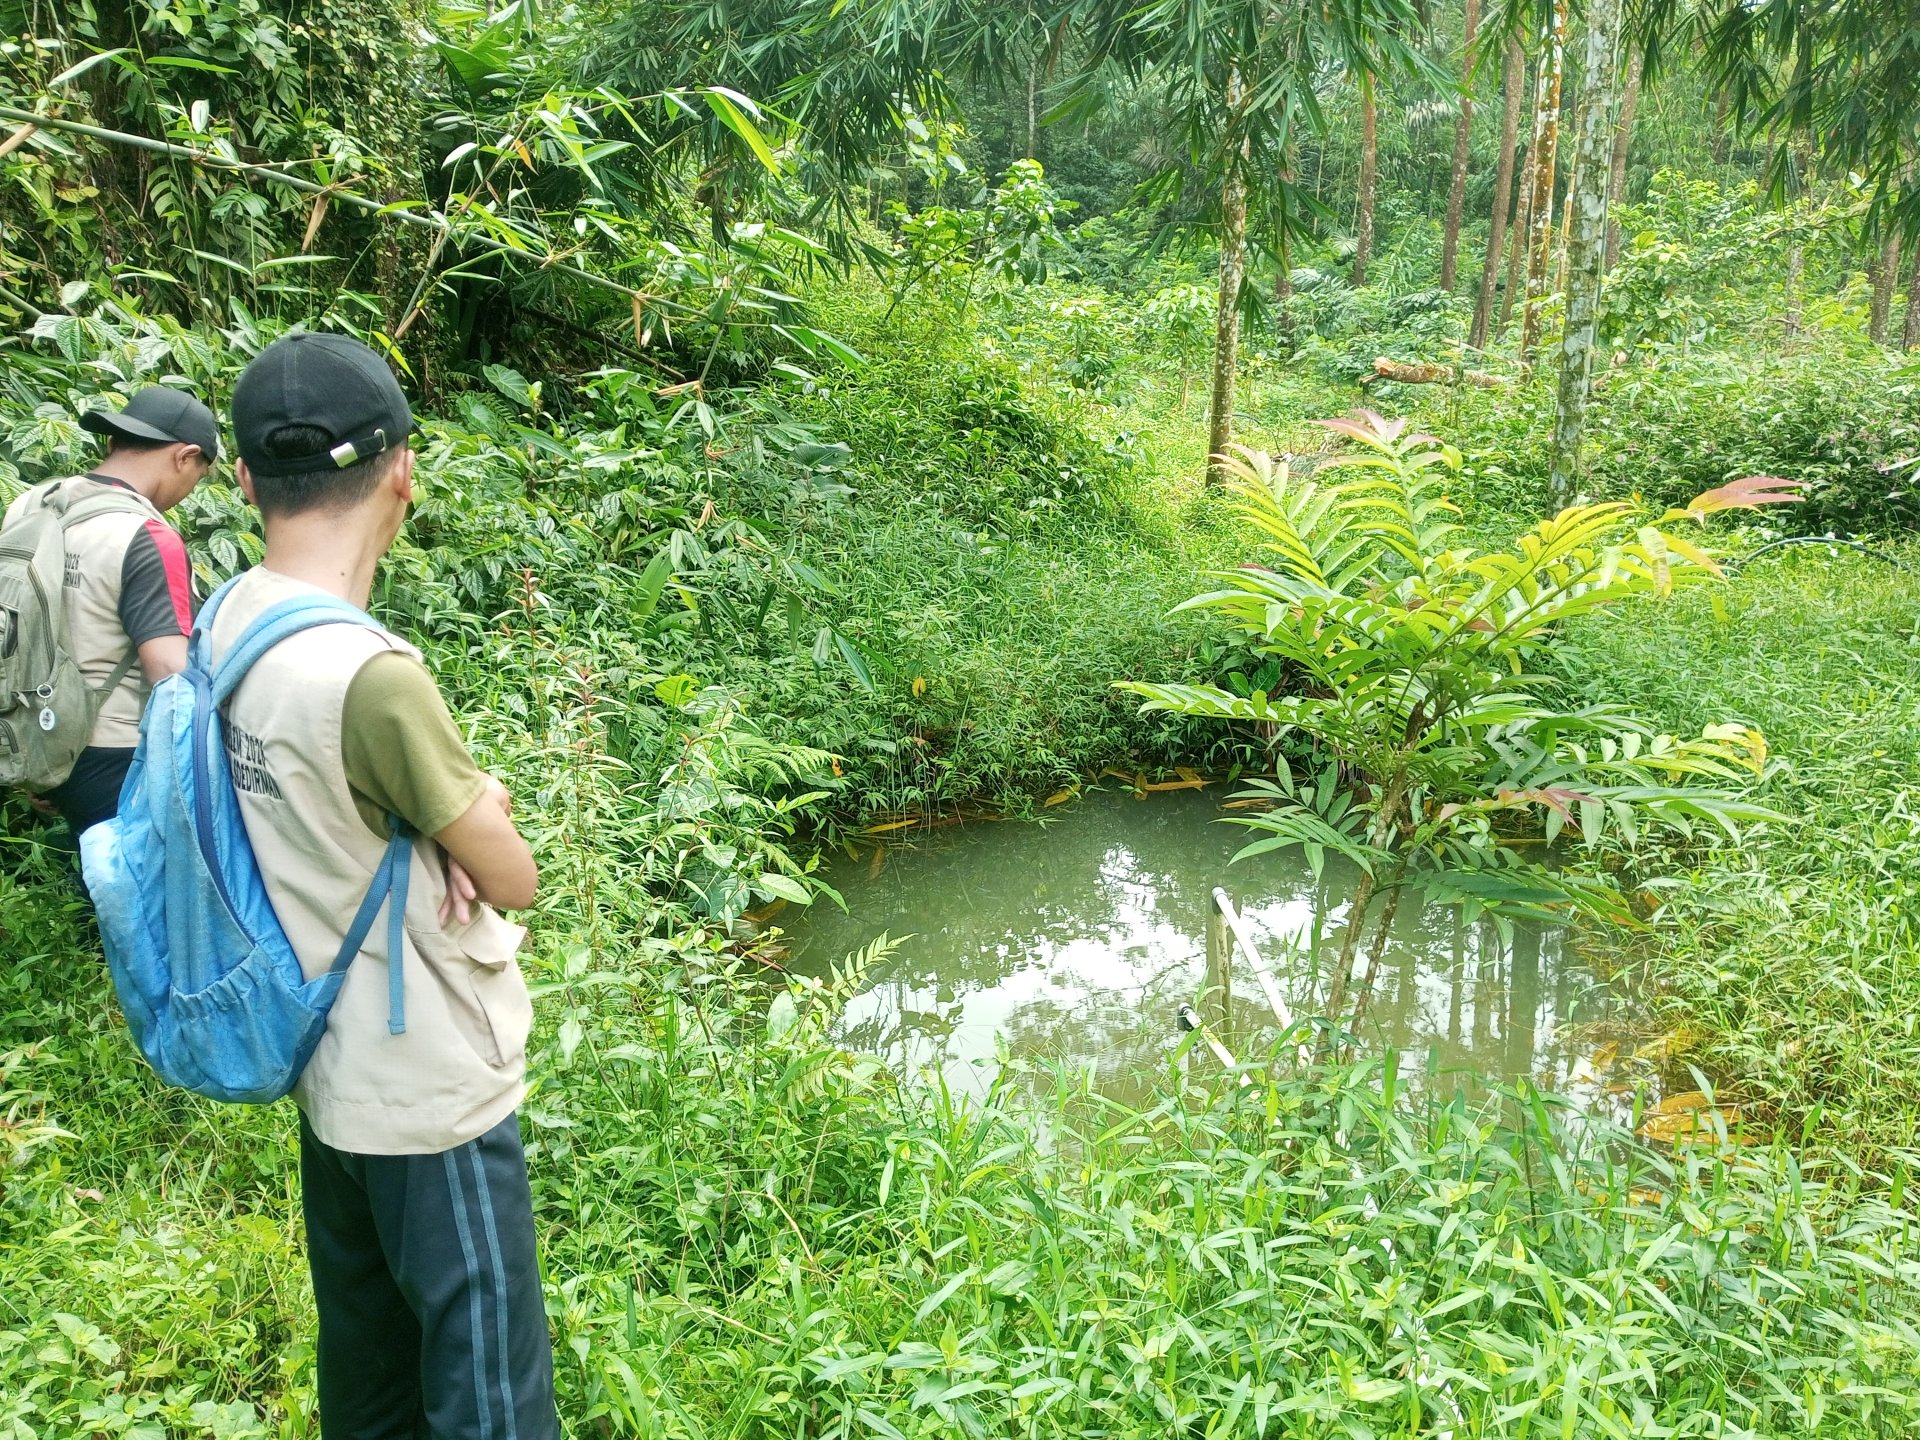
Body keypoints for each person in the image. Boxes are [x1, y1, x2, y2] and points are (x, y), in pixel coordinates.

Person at [219, 332, 554, 1439]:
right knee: (485, 1383)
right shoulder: (370, 674)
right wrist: (476, 815)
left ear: (246, 479)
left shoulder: (231, 619)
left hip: (319, 1060)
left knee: (367, 1366)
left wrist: (437, 814)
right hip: (424, 1095)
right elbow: (516, 877)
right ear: (402, 471)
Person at [3, 386, 216, 833]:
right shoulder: (147, 535)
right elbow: (169, 673)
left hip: (36, 737)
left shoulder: (30, 505)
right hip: (118, 760)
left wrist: (35, 750)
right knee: (144, 898)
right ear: (185, 456)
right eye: (197, 476)